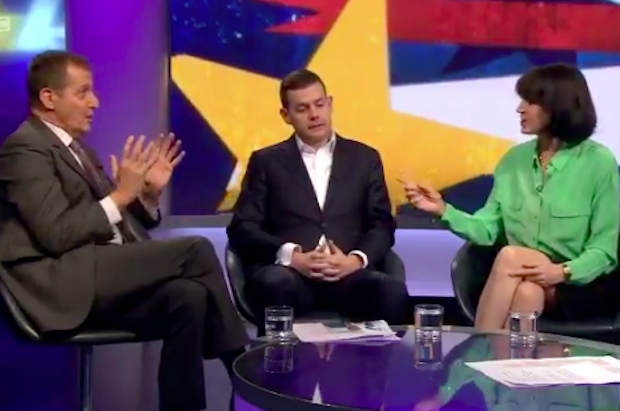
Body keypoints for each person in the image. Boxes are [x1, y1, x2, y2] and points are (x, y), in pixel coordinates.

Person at [0, 50, 248, 411]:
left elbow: (109, 218)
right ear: (49, 98)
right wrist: (121, 195)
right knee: (195, 249)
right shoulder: (25, 148)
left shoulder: (78, 150)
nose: (95, 102)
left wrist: (145, 196)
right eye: (83, 92)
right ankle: (243, 369)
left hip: (97, 266)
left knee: (188, 295)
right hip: (62, 280)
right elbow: (55, 233)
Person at [403, 63, 620, 331]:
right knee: (528, 292)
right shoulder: (514, 160)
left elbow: (604, 250)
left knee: (510, 257)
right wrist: (443, 210)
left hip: (580, 284)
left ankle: (479, 344)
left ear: (558, 106)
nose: (520, 109)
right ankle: (503, 356)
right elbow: (488, 229)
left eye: (531, 101)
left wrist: (561, 272)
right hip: (524, 279)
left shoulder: (599, 163)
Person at [226, 68, 410, 326]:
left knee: (390, 292)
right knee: (275, 284)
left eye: (319, 104)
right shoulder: (266, 162)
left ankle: (376, 355)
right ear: (286, 115)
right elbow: (243, 227)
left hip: (349, 275)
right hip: (289, 276)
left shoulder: (365, 158)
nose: (314, 115)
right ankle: (281, 354)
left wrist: (355, 260)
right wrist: (292, 257)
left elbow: (382, 223)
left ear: (330, 104)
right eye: (302, 109)